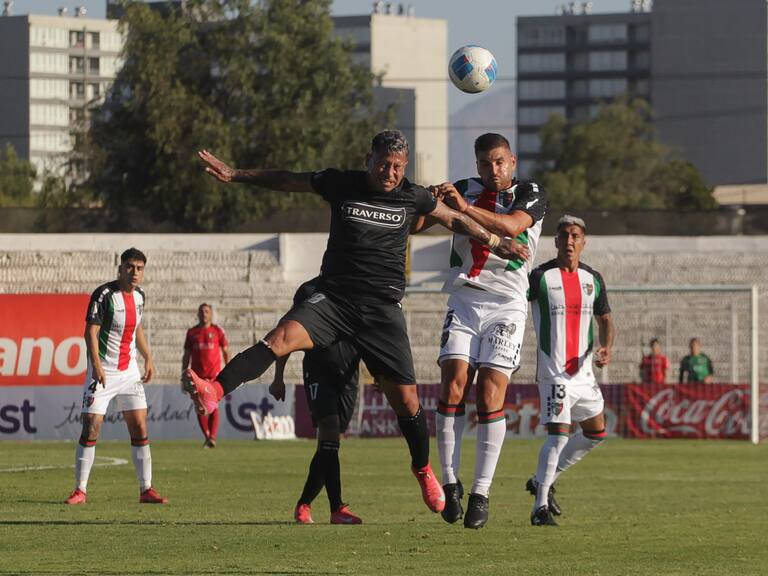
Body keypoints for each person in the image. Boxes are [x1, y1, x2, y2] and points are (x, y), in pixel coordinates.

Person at [190, 129, 529, 515]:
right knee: (279, 338)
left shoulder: (412, 195)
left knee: (407, 402)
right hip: (333, 300)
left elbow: (454, 220)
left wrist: (499, 243)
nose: (390, 173)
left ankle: (422, 469)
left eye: (398, 167)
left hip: (381, 312)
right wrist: (236, 174)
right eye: (384, 163)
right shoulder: (341, 183)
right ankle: (215, 390)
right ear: (369, 159)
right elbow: (289, 178)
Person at [419, 133, 547, 529]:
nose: (494, 170)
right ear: (476, 166)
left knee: (490, 392)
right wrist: (425, 202)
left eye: (500, 162)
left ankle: (481, 492)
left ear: (513, 161)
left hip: (507, 304)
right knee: (453, 384)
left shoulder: (531, 193)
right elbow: (419, 225)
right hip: (465, 298)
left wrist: (463, 207)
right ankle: (452, 483)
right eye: (485, 164)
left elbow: (510, 227)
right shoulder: (461, 190)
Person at [525, 215, 615, 526]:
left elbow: (605, 320)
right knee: (558, 436)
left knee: (595, 432)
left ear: (583, 242)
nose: (569, 241)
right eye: (564, 236)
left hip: (585, 374)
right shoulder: (540, 277)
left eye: (575, 236)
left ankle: (541, 480)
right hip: (554, 374)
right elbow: (514, 303)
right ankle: (539, 509)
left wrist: (606, 348)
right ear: (556, 241)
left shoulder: (593, 279)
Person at [65, 248, 167, 505]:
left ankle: (146, 490)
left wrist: (148, 357)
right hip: (103, 371)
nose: (135, 273)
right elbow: (90, 332)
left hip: (129, 372)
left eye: (140, 268)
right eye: (130, 267)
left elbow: (137, 329)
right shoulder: (104, 294)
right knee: (91, 427)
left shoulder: (141, 297)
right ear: (120, 268)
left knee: (140, 426)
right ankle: (80, 490)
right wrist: (97, 366)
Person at [270, 278, 363, 525]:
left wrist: (381, 371)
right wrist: (278, 377)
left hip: (348, 377)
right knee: (329, 435)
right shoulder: (309, 290)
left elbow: (370, 332)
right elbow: (288, 331)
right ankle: (337, 508)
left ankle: (305, 504)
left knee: (329, 446)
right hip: (319, 373)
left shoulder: (357, 286)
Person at [181, 303, 231, 447]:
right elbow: (187, 355)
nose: (204, 313)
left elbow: (226, 351)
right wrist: (184, 373)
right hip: (197, 377)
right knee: (199, 406)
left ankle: (212, 436)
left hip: (214, 375)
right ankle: (208, 436)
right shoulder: (192, 332)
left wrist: (228, 370)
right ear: (198, 313)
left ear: (211, 314)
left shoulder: (218, 331)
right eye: (202, 311)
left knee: (214, 405)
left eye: (207, 311)